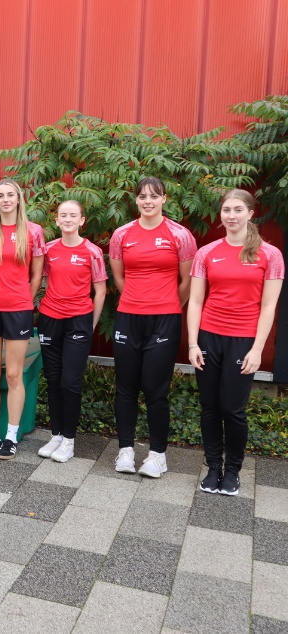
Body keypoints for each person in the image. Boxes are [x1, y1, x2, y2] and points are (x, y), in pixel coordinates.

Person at [188, 189, 283, 495]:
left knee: (233, 409)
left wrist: (257, 349)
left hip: (243, 341)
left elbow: (269, 306)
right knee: (210, 407)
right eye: (226, 210)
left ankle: (233, 471)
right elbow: (196, 301)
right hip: (209, 338)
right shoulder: (207, 253)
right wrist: (193, 343)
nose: (231, 215)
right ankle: (213, 467)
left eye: (237, 209)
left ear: (250, 213)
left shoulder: (270, 255)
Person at [109, 176, 197, 477]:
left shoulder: (180, 235)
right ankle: (126, 450)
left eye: (154, 196)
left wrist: (169, 306)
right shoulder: (122, 234)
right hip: (129, 317)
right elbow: (119, 277)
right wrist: (136, 301)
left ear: (164, 199)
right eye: (142, 196)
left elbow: (186, 282)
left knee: (156, 390)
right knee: (126, 387)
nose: (148, 201)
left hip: (165, 319)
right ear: (135, 200)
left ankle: (158, 455)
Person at [0, 178, 45, 460]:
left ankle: (11, 436)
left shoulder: (33, 231)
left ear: (19, 199)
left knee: (14, 374)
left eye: (10, 195)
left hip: (18, 309)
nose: (5, 200)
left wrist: (25, 301)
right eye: (0, 195)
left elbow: (37, 273)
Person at [36, 200, 107, 463]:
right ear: (56, 220)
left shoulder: (92, 251)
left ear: (82, 220)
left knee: (70, 381)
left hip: (79, 320)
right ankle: (56, 435)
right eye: (63, 215)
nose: (67, 219)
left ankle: (69, 440)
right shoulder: (48, 249)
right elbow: (41, 279)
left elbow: (100, 292)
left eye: (73, 215)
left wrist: (90, 324)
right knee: (53, 379)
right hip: (50, 319)